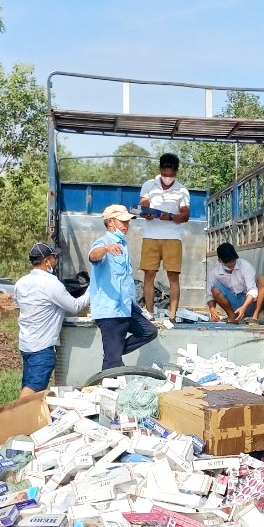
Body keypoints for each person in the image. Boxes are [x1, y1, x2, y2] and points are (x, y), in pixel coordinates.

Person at [14, 242, 90, 397]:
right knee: (30, 392)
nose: (55, 261)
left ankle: (31, 418)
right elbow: (75, 306)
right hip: (42, 348)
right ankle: (15, 417)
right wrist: (91, 291)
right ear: (46, 261)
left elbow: (18, 307)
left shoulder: (21, 283)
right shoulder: (51, 283)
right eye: (54, 257)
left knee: (30, 385)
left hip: (26, 344)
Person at [89, 204, 158, 370]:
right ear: (111, 222)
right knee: (112, 363)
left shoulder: (123, 245)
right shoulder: (104, 242)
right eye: (123, 222)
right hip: (111, 310)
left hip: (126, 307)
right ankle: (107, 389)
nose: (127, 226)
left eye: (128, 222)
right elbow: (93, 255)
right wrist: (106, 249)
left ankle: (114, 353)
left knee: (149, 331)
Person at [139, 153, 190, 320]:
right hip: (150, 236)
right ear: (160, 170)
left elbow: (185, 215)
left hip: (172, 237)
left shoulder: (182, 190)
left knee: (173, 276)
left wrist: (169, 216)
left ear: (176, 172)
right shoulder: (149, 185)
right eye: (165, 174)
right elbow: (144, 202)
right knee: (149, 275)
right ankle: (150, 313)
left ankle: (172, 315)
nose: (168, 178)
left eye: (171, 175)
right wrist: (147, 211)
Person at [206, 242, 264, 323]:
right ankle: (232, 316)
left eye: (233, 260)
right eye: (228, 262)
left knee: (262, 279)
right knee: (215, 289)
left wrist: (244, 307)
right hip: (233, 305)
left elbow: (252, 290)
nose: (231, 263)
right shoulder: (214, 272)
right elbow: (209, 295)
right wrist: (212, 309)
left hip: (249, 303)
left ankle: (254, 317)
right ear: (220, 261)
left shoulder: (245, 266)